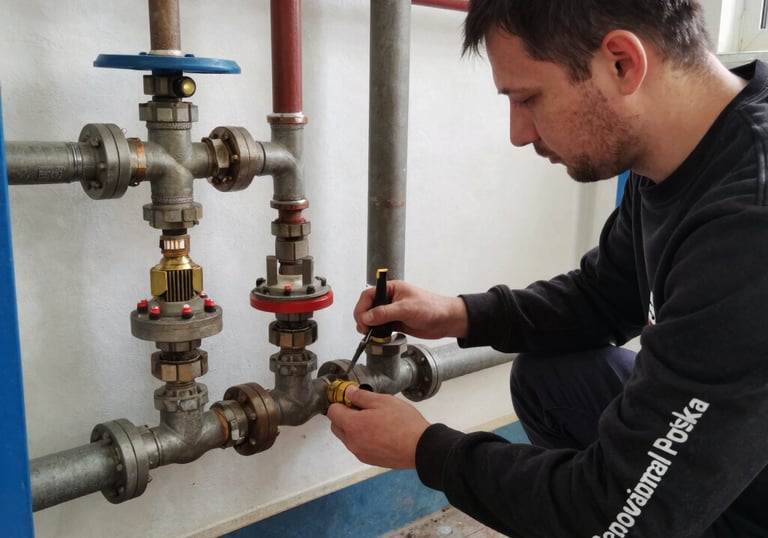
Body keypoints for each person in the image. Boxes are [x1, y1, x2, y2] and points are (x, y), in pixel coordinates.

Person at [326, 0, 768, 536]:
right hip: (741, 434)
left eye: (528, 98)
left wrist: (427, 450)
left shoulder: (747, 226)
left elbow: (612, 509)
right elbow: (603, 297)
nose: (519, 133)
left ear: (622, 63)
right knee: (551, 379)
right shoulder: (680, 151)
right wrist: (457, 314)